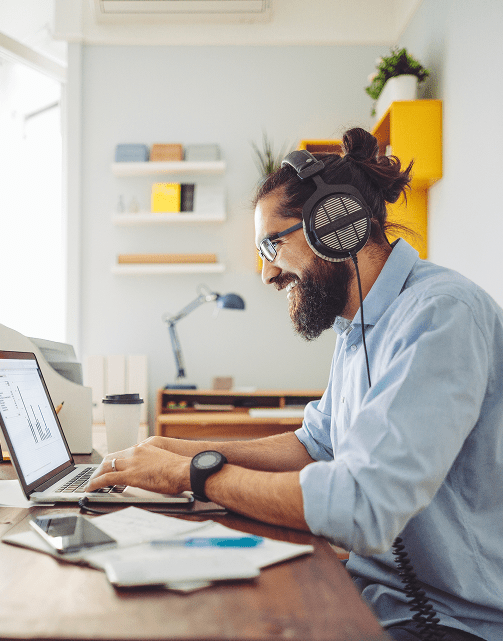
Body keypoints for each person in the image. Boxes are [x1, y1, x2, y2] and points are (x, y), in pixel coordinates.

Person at [87, 128, 503, 641]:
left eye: (271, 245)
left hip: (451, 624)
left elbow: (362, 507)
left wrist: (190, 473)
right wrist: (174, 449)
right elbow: (316, 446)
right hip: (374, 596)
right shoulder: (357, 328)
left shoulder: (441, 315)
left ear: (335, 224)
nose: (266, 274)